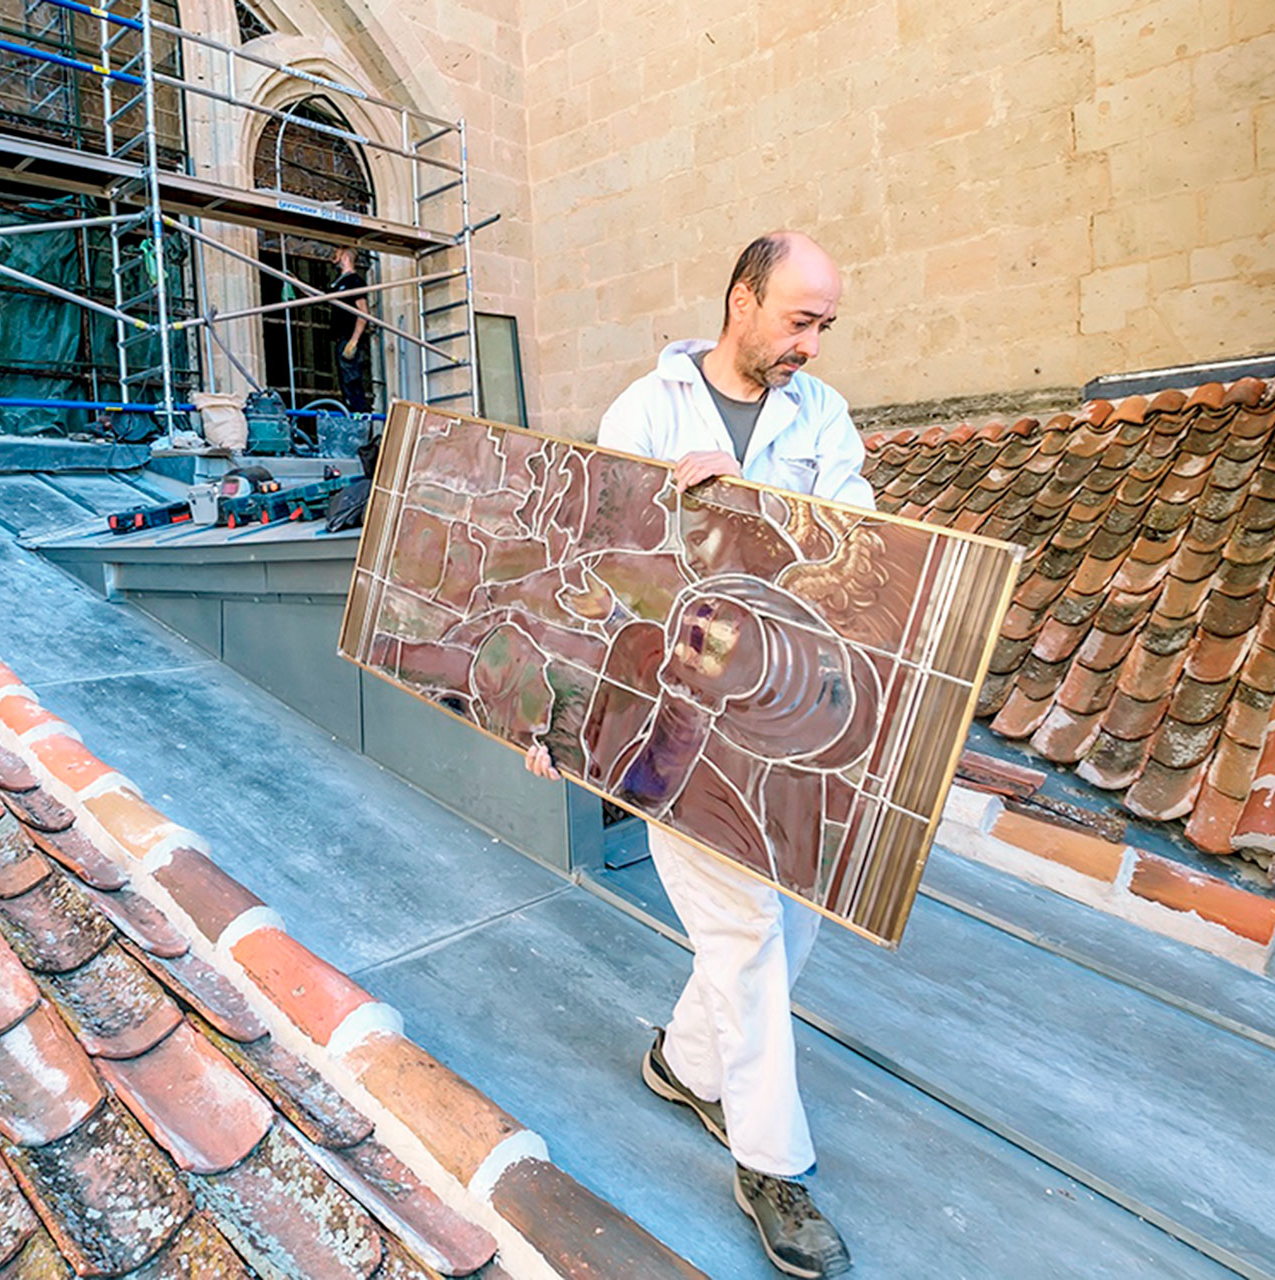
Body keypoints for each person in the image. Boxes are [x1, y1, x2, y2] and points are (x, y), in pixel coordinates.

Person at [525, 230, 870, 1279]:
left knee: (791, 923)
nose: (812, 345)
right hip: (675, 720)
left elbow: (859, 549)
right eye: (800, 321)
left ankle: (682, 1063)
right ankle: (773, 1165)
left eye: (825, 326)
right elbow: (603, 567)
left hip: (782, 718)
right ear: (742, 301)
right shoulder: (646, 411)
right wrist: (557, 713)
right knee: (748, 933)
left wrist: (753, 502)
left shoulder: (824, 416)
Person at [330, 245, 373, 415]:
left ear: (345, 257)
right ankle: (351, 411)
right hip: (341, 338)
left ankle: (358, 413)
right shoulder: (338, 283)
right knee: (345, 380)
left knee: (351, 378)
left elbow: (363, 312)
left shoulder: (354, 281)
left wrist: (354, 340)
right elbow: (318, 296)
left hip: (349, 337)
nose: (333, 257)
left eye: (337, 253)